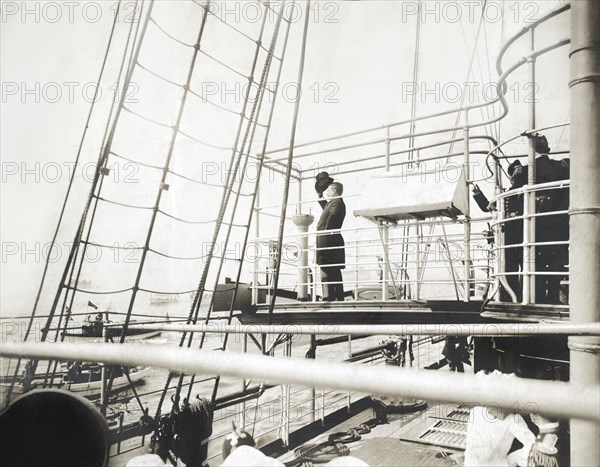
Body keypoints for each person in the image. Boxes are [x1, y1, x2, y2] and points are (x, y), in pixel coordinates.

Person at [473, 159, 527, 302]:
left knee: (527, 268)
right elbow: (489, 207)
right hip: (509, 235)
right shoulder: (507, 194)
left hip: (526, 234)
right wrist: (478, 194)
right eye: (514, 175)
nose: (515, 177)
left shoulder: (528, 190)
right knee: (511, 268)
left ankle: (525, 296)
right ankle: (513, 296)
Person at [315, 172, 346, 301]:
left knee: (328, 268)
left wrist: (326, 233)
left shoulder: (337, 203)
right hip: (329, 240)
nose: (326, 192)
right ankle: (334, 296)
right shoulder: (333, 202)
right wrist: (320, 195)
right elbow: (326, 207)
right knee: (332, 269)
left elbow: (332, 217)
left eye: (328, 190)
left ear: (334, 191)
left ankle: (330, 296)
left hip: (329, 241)